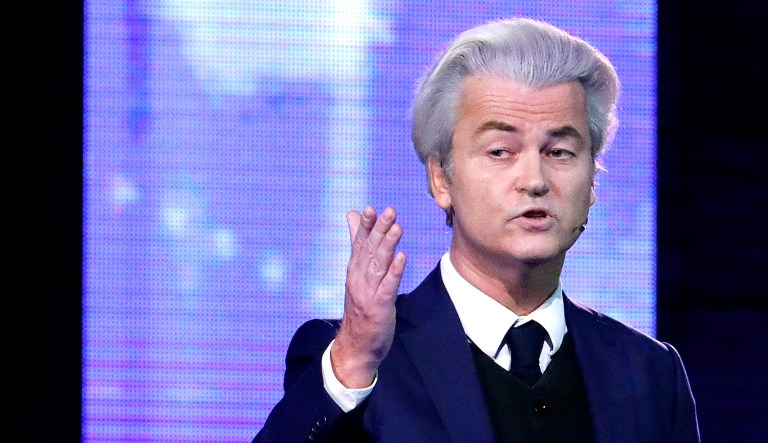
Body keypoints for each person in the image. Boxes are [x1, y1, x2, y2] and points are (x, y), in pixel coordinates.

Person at [253, 17, 699, 443]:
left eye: (560, 152)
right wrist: (352, 360)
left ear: (593, 180)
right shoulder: (361, 357)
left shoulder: (649, 373)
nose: (535, 180)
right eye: (501, 151)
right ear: (441, 179)